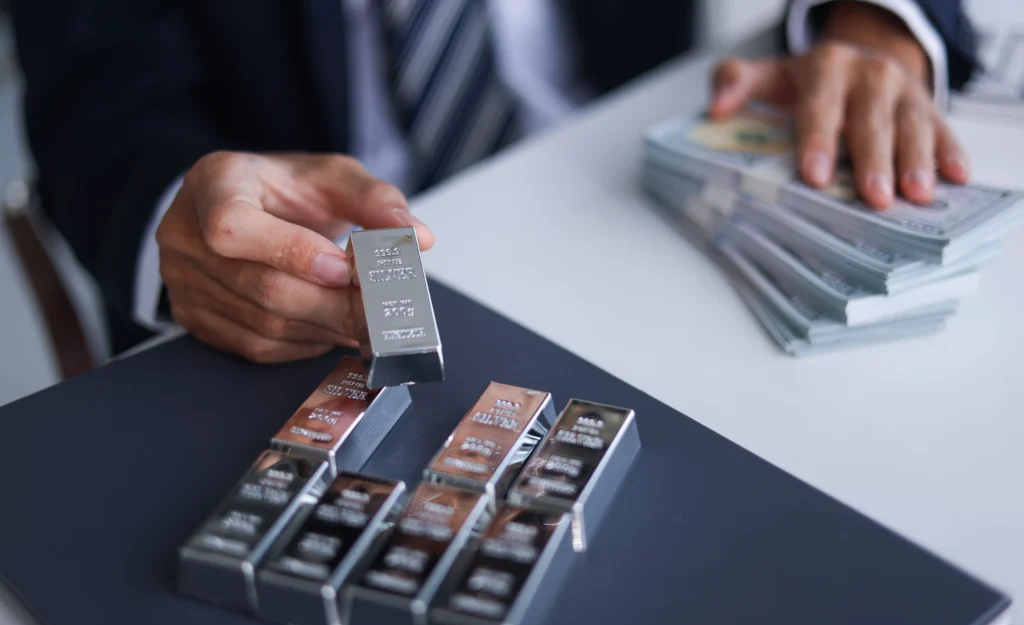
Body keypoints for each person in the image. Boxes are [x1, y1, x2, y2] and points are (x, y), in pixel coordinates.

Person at [11, 0, 978, 362]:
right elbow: (94, 93)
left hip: (625, 194)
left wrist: (876, 20)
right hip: (308, 284)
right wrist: (175, 221)